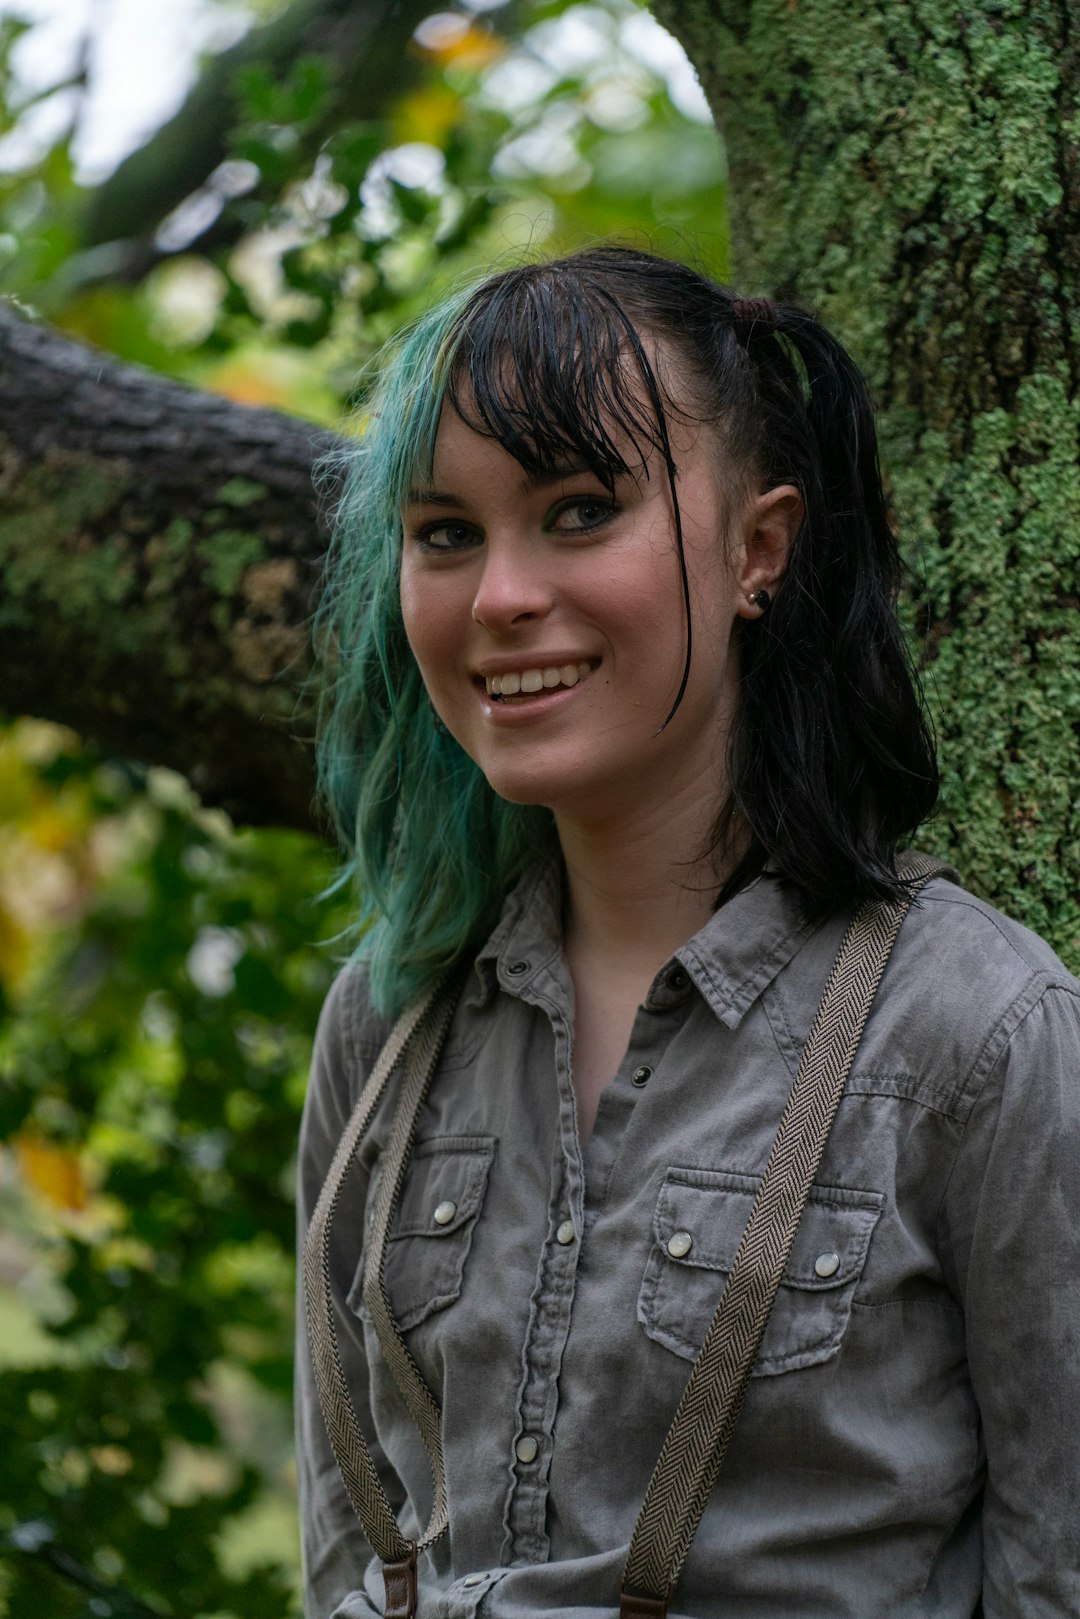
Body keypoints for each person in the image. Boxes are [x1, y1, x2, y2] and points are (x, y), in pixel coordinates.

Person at [296, 247, 1080, 1619]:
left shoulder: (976, 1032)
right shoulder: (384, 1019)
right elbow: (344, 1549)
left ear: (756, 551)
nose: (498, 599)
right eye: (446, 534)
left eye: (580, 511)